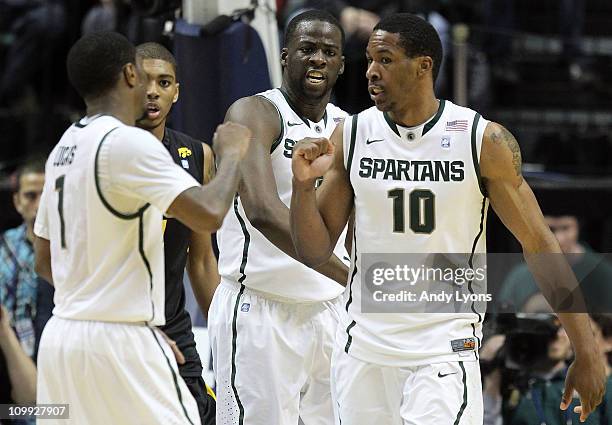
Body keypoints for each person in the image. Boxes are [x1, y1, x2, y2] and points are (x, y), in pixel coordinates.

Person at [289, 13, 606, 424]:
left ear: (423, 66)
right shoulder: (352, 136)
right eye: (368, 59)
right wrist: (301, 188)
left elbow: (539, 243)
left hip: (443, 352)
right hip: (363, 352)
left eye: (385, 59)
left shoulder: (481, 140)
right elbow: (314, 251)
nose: (370, 71)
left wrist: (587, 349)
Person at [32, 31, 250, 425]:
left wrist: (117, 322)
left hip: (63, 336)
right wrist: (232, 153)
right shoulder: (126, 144)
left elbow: (44, 259)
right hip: (118, 338)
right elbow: (210, 213)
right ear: (130, 74)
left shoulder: (64, 147)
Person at [209, 10, 349, 424]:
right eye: (307, 49)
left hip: (330, 310)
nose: (318, 59)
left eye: (329, 52)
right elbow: (263, 211)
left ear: (342, 64)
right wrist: (347, 275)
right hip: (260, 311)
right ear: (285, 57)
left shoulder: (348, 126)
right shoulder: (254, 113)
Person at [135, 41, 218, 424]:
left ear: (177, 92)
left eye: (164, 82)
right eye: (144, 81)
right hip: (118, 326)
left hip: (174, 324)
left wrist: (224, 331)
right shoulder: (105, 151)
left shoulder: (197, 156)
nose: (153, 91)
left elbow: (200, 259)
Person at [0, 159, 54, 423]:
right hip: (17, 380)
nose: (40, 203)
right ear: (17, 201)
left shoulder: (76, 247)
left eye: (47, 193)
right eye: (31, 195)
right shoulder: (5, 250)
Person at [500, 214, 612, 313]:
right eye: (550, 229)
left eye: (566, 228)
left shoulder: (602, 273)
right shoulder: (519, 276)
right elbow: (499, 326)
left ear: (578, 227)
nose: (559, 238)